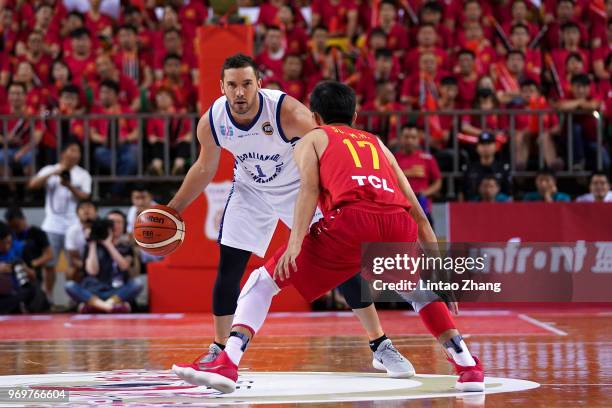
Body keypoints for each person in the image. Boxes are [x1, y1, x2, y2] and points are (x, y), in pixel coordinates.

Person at [171, 81, 485, 393]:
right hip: (397, 223)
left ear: (316, 117)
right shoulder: (376, 143)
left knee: (262, 282)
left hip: (350, 222)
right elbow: (418, 213)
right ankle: (468, 366)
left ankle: (228, 361)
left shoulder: (314, 138)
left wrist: (295, 242)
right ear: (356, 115)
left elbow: (308, 190)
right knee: (418, 291)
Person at [162, 54, 413, 376]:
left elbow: (331, 147)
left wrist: (337, 198)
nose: (240, 92)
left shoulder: (288, 112)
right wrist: (174, 209)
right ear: (221, 87)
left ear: (259, 84)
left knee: (343, 264)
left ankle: (380, 345)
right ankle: (219, 350)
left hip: (300, 190)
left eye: (247, 84)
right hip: (250, 191)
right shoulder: (212, 121)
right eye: (233, 85)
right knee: (229, 267)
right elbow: (204, 167)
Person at [27, 141, 91, 301]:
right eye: (72, 150)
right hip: (51, 225)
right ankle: (47, 299)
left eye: (78, 151)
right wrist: (55, 173)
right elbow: (32, 184)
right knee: (49, 267)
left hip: (73, 226)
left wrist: (69, 186)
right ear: (63, 153)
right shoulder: (50, 169)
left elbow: (86, 197)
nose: (75, 154)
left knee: (75, 265)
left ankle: (74, 300)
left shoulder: (82, 174)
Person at [65, 210, 142, 313]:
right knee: (70, 286)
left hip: (117, 291)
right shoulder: (93, 246)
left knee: (137, 283)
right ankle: (109, 307)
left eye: (119, 222)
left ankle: (96, 306)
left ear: (124, 226)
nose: (114, 225)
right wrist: (92, 243)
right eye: (111, 222)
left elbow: (124, 266)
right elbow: (92, 271)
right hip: (93, 290)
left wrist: (108, 244)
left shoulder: (126, 247)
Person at [394, 125, 442, 225]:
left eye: (413, 137)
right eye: (406, 137)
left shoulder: (428, 158)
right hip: (400, 207)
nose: (409, 141)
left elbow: (438, 181)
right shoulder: (392, 158)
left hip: (423, 208)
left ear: (418, 139)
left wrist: (425, 193)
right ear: (400, 138)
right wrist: (408, 172)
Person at [0, 222, 47, 314]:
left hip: (16, 292)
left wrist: (25, 269)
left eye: (9, 242)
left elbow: (33, 277)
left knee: (32, 290)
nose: (7, 246)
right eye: (3, 243)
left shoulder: (21, 248)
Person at [4, 207, 53, 286]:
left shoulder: (37, 233)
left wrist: (33, 264)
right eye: (11, 227)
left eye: (16, 225)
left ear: (23, 219)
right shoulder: (10, 235)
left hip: (32, 271)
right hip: (12, 271)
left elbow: (49, 255)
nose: (15, 229)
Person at [461, 132, 511, 201]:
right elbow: (464, 191)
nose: (486, 147)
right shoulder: (470, 168)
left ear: (495, 147)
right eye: (482, 144)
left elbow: (508, 192)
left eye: (489, 144)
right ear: (477, 148)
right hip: (475, 206)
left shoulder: (502, 168)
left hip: (499, 205)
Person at [64, 199, 98, 281]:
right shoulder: (72, 231)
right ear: (77, 213)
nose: (86, 211)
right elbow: (73, 258)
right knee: (70, 272)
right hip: (82, 263)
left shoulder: (103, 228)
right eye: (82, 208)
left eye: (89, 208)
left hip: (102, 261)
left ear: (96, 212)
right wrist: (88, 267)